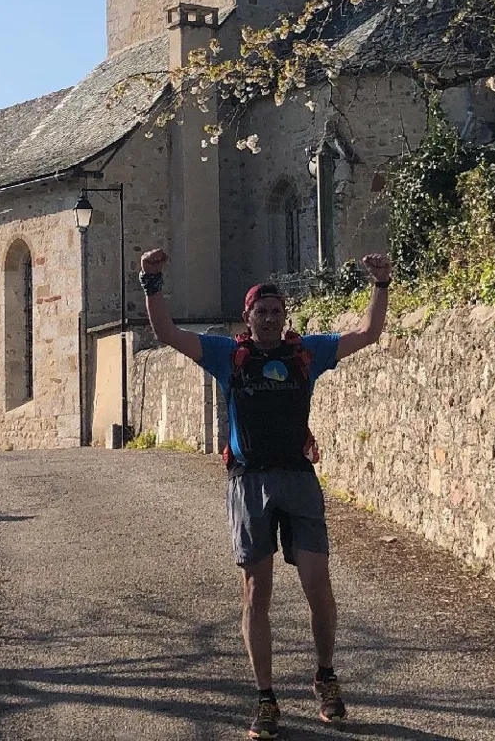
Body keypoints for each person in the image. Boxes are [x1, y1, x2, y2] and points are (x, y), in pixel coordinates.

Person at [138, 246, 392, 739]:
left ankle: (325, 676)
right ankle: (266, 698)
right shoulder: (227, 355)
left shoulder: (306, 353)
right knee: (258, 590)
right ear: (248, 317)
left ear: (284, 316)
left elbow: (369, 334)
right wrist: (151, 282)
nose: (270, 319)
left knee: (318, 582)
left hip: (297, 477)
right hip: (248, 481)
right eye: (262, 312)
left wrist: (380, 285)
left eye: (277, 312)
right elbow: (166, 333)